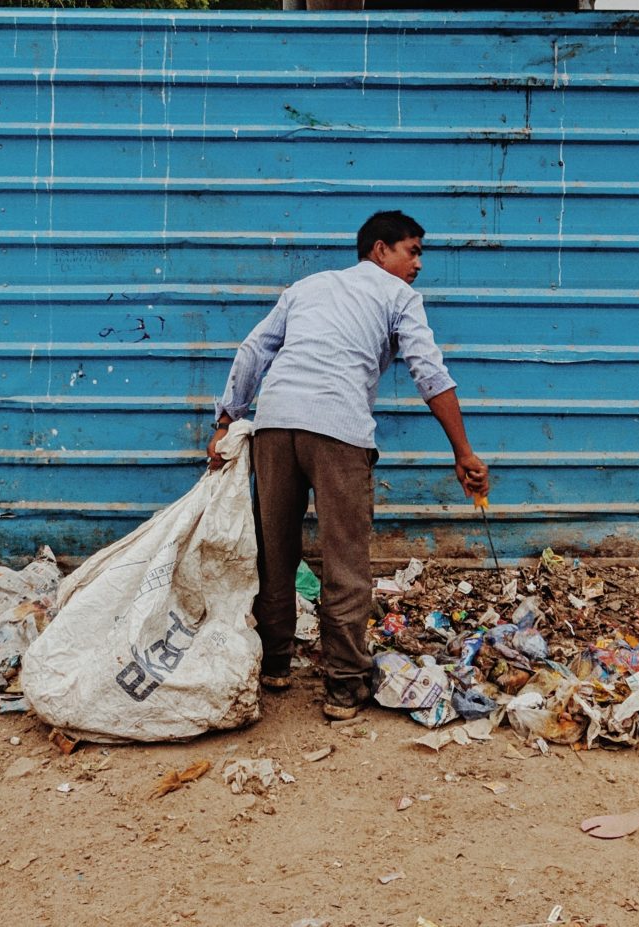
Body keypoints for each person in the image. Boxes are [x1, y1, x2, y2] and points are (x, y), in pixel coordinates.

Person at [207, 210, 489, 720]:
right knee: (345, 562)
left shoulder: (307, 287)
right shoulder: (399, 297)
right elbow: (430, 372)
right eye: (413, 250)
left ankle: (274, 665)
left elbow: (256, 348)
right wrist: (463, 451)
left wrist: (226, 420)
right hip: (337, 430)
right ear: (380, 250)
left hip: (275, 426)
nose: (419, 264)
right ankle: (342, 686)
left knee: (276, 551)